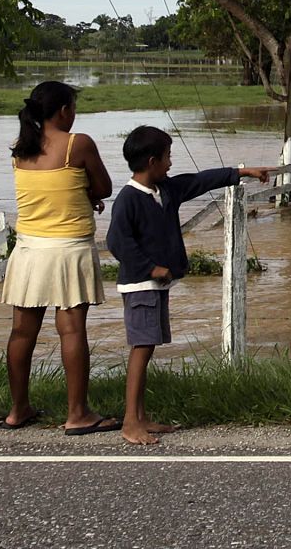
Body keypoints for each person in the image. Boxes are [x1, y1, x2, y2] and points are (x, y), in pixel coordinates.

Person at [106, 125, 271, 446]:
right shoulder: (128, 199)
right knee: (141, 350)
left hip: (155, 287)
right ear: (152, 161)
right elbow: (117, 242)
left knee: (148, 347)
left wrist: (242, 172)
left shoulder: (164, 190)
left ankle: (140, 417)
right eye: (167, 157)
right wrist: (152, 268)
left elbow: (198, 181)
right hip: (140, 287)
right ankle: (130, 422)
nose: (170, 164)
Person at [1, 81, 117, 435]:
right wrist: (87, 194)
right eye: (73, 107)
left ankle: (18, 409)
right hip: (69, 249)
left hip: (28, 250)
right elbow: (105, 188)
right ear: (64, 110)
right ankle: (77, 413)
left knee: (22, 331)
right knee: (71, 330)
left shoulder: (21, 149)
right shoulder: (77, 144)